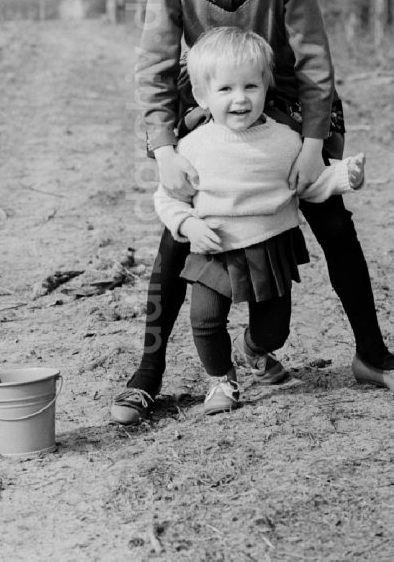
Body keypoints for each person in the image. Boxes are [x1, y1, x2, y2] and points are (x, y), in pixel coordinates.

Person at [111, 0, 394, 425]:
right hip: (215, 114)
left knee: (335, 225)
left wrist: (313, 144)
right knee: (176, 241)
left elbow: (314, 62)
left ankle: (372, 354)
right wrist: (164, 151)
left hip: (290, 116)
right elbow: (155, 73)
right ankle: (148, 372)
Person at [152, 27, 367, 415]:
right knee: (204, 319)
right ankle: (221, 379)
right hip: (214, 246)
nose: (240, 99)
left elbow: (309, 185)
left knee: (274, 331)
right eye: (225, 90)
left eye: (251, 86)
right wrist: (186, 225)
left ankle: (253, 347)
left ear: (267, 88)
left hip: (269, 247)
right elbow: (167, 198)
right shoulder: (192, 146)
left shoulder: (285, 141)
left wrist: (343, 176)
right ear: (201, 97)